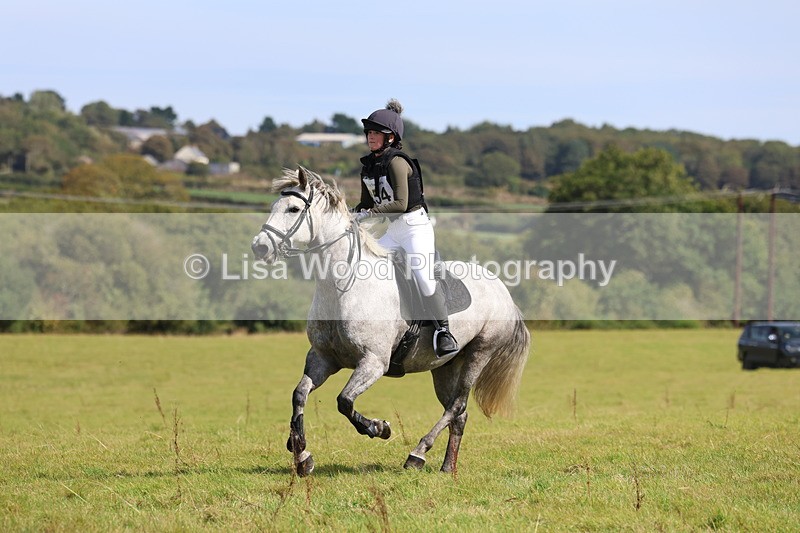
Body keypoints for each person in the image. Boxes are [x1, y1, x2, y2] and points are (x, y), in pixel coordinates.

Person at [353, 99, 458, 357]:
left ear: (391, 137)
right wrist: (349, 214)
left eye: (376, 133)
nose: (371, 137)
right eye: (369, 132)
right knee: (366, 266)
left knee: (423, 277)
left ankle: (444, 331)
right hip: (394, 230)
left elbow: (400, 204)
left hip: (414, 227)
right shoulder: (369, 166)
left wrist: (367, 214)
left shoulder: (398, 162)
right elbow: (366, 204)